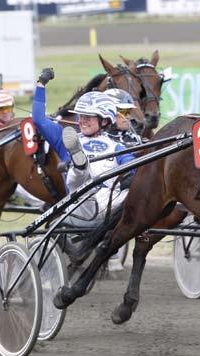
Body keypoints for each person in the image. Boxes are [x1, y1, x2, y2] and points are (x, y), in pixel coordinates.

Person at [32, 68, 136, 269]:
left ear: (105, 120)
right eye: (82, 116)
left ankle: (81, 165)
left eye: (90, 117)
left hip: (109, 207)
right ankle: (80, 164)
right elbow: (39, 120)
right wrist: (41, 85)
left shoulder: (117, 147)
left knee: (133, 191)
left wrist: (131, 176)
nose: (83, 120)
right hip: (80, 205)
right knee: (81, 176)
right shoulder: (67, 140)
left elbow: (132, 167)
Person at [0, 89, 44, 208]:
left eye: (7, 107)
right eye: (0, 109)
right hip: (4, 174)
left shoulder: (24, 124)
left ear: (12, 107)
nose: (5, 112)